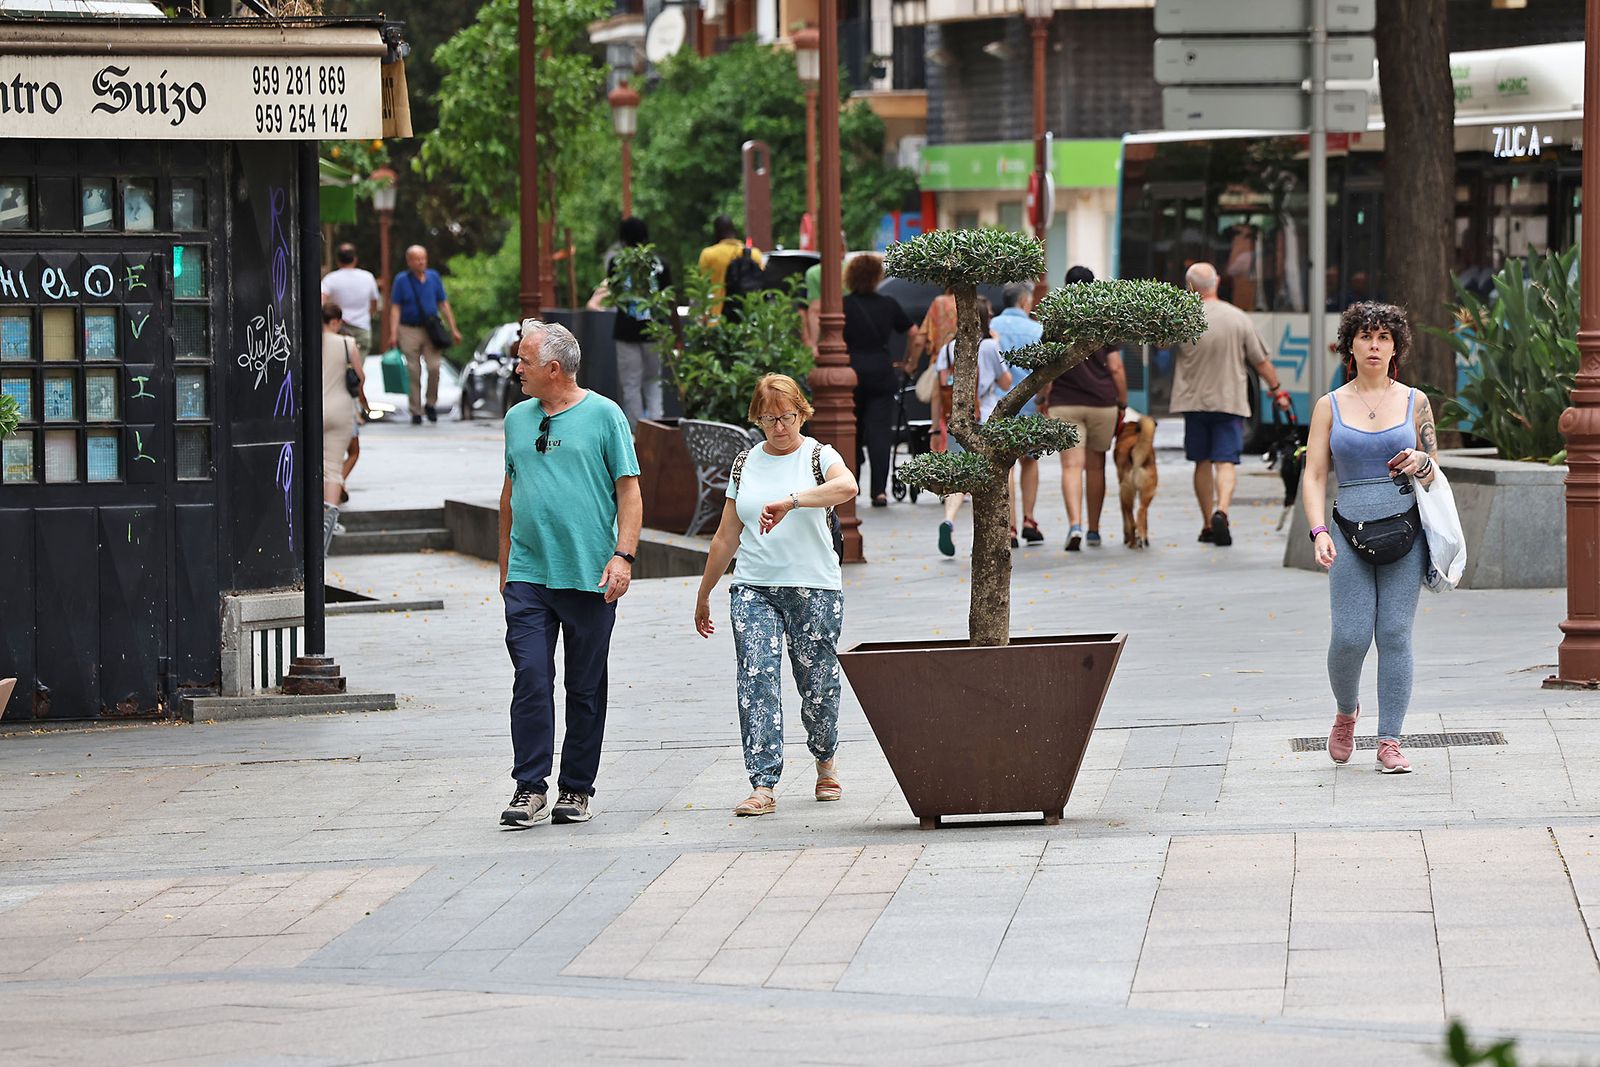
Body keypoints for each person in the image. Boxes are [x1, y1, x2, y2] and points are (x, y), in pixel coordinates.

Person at [498, 320, 642, 828]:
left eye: (524, 361)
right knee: (531, 679)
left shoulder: (605, 416)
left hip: (589, 575)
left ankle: (576, 788)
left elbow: (629, 491)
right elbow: (509, 494)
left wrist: (623, 556)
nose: (516, 368)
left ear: (553, 369)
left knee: (584, 688)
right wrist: (505, 570)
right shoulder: (517, 419)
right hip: (529, 575)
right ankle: (528, 788)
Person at [694, 374, 858, 817]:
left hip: (815, 587)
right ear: (757, 419)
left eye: (786, 417)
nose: (779, 427)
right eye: (768, 419)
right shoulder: (745, 464)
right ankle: (762, 783)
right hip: (753, 586)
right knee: (757, 678)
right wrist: (705, 592)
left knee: (817, 684)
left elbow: (848, 488)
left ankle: (826, 761)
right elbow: (727, 535)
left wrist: (793, 501)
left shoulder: (819, 455)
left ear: (801, 413)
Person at [1301, 302, 1438, 775]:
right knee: (1350, 637)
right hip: (1347, 532)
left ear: (1396, 346)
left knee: (1395, 634)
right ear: (1350, 346)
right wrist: (1318, 529)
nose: (1375, 345)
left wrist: (1422, 463)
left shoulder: (1415, 401)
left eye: (1384, 337)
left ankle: (1390, 740)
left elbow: (1436, 468)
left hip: (1405, 530)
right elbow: (1315, 474)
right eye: (1366, 337)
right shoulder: (1329, 404)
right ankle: (1346, 711)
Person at [1172, 262, 1291, 546]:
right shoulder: (1238, 318)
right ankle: (1222, 510)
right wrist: (1277, 391)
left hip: (1194, 401)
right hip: (1229, 400)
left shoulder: (1183, 318)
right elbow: (1260, 362)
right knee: (1225, 461)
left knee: (1201, 461)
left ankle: (1206, 524)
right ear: (1218, 282)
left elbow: (1162, 344)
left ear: (1190, 287)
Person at [1047, 266, 1129, 550]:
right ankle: (1094, 529)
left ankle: (1075, 525)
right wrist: (1122, 402)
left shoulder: (1055, 320)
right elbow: (1116, 368)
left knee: (1071, 467)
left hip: (1064, 402)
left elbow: (1046, 366)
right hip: (1102, 403)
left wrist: (1044, 399)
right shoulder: (1105, 319)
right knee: (1096, 467)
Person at [932, 297, 1011, 557]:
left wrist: (936, 427)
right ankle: (995, 532)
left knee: (959, 474)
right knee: (993, 474)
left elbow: (939, 389)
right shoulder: (989, 346)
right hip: (986, 417)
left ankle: (949, 520)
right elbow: (1005, 381)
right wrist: (998, 345)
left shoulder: (948, 349)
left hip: (958, 419)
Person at [842, 252, 914, 507]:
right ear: (876, 277)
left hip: (849, 375)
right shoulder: (888, 304)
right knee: (879, 434)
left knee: (852, 433)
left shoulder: (844, 305)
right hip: (881, 373)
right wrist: (909, 362)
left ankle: (851, 485)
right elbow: (913, 332)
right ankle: (879, 492)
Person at [586, 217, 672, 428]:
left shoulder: (617, 263)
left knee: (631, 383)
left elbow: (614, 294)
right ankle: (656, 425)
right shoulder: (660, 263)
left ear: (623, 239)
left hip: (626, 330)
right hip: (654, 329)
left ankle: (637, 430)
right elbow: (669, 299)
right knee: (653, 381)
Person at [990, 281, 1044, 547]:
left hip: (998, 405)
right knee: (1030, 461)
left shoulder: (991, 329)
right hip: (1030, 403)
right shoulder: (1037, 330)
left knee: (1005, 465)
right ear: (1025, 302)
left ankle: (1008, 525)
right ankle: (1029, 519)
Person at [384, 244, 461, 425]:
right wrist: (393, 333)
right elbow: (395, 308)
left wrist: (453, 329)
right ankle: (416, 410)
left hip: (431, 329)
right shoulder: (401, 280)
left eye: (423, 258)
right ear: (409, 261)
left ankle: (431, 403)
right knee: (413, 370)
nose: (421, 262)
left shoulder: (433, 277)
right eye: (417, 259)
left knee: (434, 367)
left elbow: (443, 304)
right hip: (408, 329)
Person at [320, 303, 362, 553]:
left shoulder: (308, 340)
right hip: (341, 408)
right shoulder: (348, 344)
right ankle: (330, 522)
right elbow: (360, 376)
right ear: (335, 321)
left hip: (315, 408)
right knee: (334, 468)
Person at [320, 243, 381, 359]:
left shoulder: (331, 279)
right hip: (362, 328)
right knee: (357, 370)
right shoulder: (368, 277)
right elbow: (374, 305)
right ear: (355, 259)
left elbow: (321, 301)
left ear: (337, 260)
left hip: (338, 328)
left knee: (340, 367)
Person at [697, 214, 765, 317]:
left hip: (719, 317)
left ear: (716, 233)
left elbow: (703, 289)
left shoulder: (708, 254)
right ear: (735, 231)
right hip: (749, 318)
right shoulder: (755, 254)